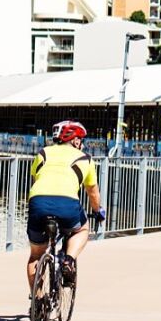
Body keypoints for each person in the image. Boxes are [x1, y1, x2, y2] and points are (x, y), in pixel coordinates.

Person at [26, 120, 105, 295]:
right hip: (67, 204)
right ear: (76, 141)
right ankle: (68, 260)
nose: (82, 143)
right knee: (82, 229)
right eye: (81, 140)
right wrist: (97, 211)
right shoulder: (85, 159)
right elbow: (92, 192)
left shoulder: (42, 153)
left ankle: (38, 302)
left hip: (38, 202)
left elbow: (35, 180)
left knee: (35, 256)